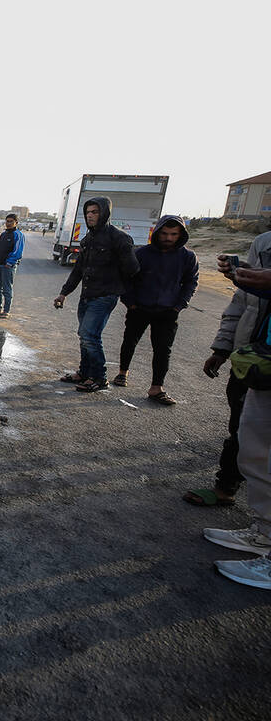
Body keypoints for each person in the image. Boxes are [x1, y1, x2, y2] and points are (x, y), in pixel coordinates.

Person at [186, 227, 271, 508]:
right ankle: (227, 487)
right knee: (242, 427)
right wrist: (222, 349)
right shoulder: (263, 242)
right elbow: (242, 305)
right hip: (251, 358)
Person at [208, 262, 271, 590]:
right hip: (265, 358)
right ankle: (264, 535)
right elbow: (243, 305)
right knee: (253, 448)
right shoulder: (264, 242)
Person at [52, 197, 140, 392]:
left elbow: (133, 269)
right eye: (88, 212)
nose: (90, 215)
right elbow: (78, 271)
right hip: (87, 295)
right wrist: (64, 293)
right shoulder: (87, 239)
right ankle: (84, 373)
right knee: (84, 335)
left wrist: (118, 286)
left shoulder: (119, 238)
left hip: (105, 296)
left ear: (105, 213)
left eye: (95, 212)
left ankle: (99, 378)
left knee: (89, 335)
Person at [113, 215, 199, 405]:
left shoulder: (187, 257)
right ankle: (122, 373)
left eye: (173, 234)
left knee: (162, 349)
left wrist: (178, 306)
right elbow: (126, 278)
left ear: (180, 235)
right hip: (140, 307)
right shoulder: (142, 253)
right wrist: (131, 302)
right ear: (158, 232)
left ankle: (156, 388)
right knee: (129, 341)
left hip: (168, 311)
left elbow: (191, 282)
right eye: (165, 233)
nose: (168, 238)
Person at [0, 213, 24, 318]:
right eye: (7, 221)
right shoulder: (3, 234)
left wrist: (9, 262)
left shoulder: (18, 235)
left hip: (8, 267)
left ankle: (6, 311)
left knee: (7, 289)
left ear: (16, 222)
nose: (8, 223)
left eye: (11, 221)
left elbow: (18, 252)